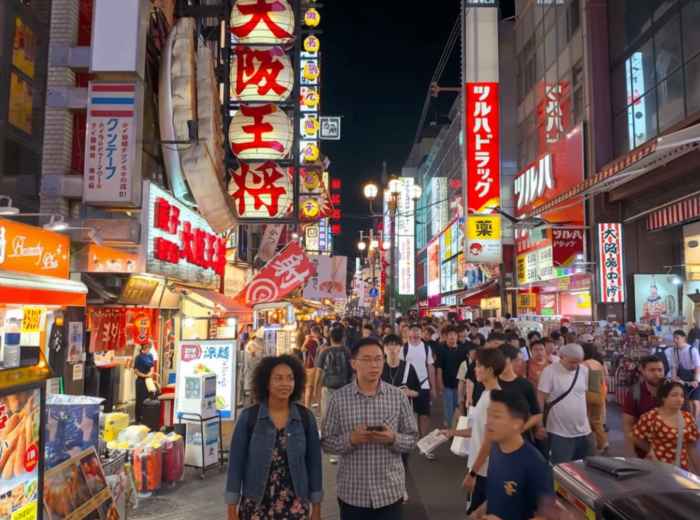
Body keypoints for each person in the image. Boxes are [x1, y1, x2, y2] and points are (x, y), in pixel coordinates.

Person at [322, 338, 418, 520]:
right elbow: (327, 442)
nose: (374, 365)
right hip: (352, 494)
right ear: (353, 363)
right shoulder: (338, 399)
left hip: (390, 492)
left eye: (378, 359)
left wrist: (393, 438)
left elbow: (412, 439)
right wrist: (351, 440)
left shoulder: (398, 397)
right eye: (366, 359)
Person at [226, 355, 322, 520]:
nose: (285, 383)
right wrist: (231, 511)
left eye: (290, 378)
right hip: (256, 504)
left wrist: (317, 508)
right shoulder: (249, 418)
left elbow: (314, 465)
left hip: (296, 505)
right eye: (278, 378)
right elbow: (235, 465)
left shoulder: (305, 418)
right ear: (266, 382)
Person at [469, 390, 557, 520]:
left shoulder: (536, 465)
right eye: (489, 415)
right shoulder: (496, 448)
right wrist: (479, 512)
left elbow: (547, 517)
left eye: (497, 416)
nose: (489, 422)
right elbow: (498, 496)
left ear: (517, 423)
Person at [441, 348, 506, 516]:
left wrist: (473, 473)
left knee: (477, 514)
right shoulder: (486, 393)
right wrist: (452, 432)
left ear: (490, 370)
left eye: (478, 366)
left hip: (485, 470)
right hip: (480, 467)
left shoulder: (493, 398)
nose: (475, 369)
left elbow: (488, 441)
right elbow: (477, 430)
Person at [537, 343, 593, 464]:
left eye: (578, 362)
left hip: (583, 430)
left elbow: (585, 397)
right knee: (562, 469)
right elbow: (540, 399)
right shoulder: (549, 371)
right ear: (562, 357)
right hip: (559, 432)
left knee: (584, 468)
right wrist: (539, 425)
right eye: (572, 362)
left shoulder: (584, 370)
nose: (575, 366)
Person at [633, 380, 700, 473]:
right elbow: (636, 437)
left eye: (682, 396)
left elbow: (691, 447)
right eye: (674, 395)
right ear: (664, 398)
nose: (679, 399)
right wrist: (651, 449)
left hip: (679, 469)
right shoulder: (651, 416)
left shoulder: (688, 418)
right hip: (655, 467)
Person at [400, 323, 436, 450]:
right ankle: (408, 440)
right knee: (407, 414)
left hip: (424, 384)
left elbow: (431, 367)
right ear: (408, 333)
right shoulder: (403, 348)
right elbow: (400, 367)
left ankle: (423, 440)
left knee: (424, 414)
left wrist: (433, 387)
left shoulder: (427, 348)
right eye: (413, 332)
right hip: (407, 385)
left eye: (417, 332)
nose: (415, 334)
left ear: (421, 334)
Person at [498, 344, 543, 444]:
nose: (521, 363)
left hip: (520, 440)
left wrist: (520, 429)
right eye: (518, 360)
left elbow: (537, 414)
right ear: (507, 361)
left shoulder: (525, 385)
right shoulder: (489, 383)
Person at [622, 355, 666, 457]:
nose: (657, 374)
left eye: (660, 370)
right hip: (643, 451)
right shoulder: (635, 392)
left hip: (670, 451)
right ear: (642, 370)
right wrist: (630, 452)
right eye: (652, 370)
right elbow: (628, 424)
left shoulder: (672, 390)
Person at [315, 327, 353, 421]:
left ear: (330, 338)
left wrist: (316, 389)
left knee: (327, 418)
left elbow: (319, 373)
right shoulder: (347, 352)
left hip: (328, 389)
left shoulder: (324, 352)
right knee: (343, 418)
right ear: (343, 338)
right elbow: (352, 373)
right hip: (344, 389)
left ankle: (327, 435)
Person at [437, 325, 470, 428]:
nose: (452, 337)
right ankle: (450, 430)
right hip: (447, 384)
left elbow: (467, 368)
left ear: (457, 336)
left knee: (460, 406)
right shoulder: (441, 350)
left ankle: (458, 429)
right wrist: (440, 383)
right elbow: (439, 368)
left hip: (460, 384)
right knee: (448, 407)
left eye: (454, 335)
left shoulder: (463, 349)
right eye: (449, 335)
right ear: (445, 337)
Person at [665, 330, 700, 419]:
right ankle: (688, 420)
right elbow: (674, 366)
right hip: (682, 379)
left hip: (694, 378)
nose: (675, 340)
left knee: (695, 402)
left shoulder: (692, 350)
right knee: (686, 402)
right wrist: (673, 378)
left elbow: (697, 367)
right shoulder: (674, 351)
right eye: (674, 338)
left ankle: (693, 422)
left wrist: (695, 380)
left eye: (677, 338)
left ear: (684, 338)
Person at [582, 342, 608, 453]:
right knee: (597, 421)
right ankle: (602, 443)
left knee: (586, 420)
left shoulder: (583, 364)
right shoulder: (598, 363)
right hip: (599, 394)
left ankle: (591, 445)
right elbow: (603, 380)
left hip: (588, 395)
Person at [133, 342, 156, 424]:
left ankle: (147, 417)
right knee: (140, 400)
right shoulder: (138, 357)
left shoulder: (150, 356)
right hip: (140, 381)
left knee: (149, 398)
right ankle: (138, 419)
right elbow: (136, 371)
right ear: (142, 347)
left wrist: (150, 373)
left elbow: (152, 367)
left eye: (149, 347)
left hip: (149, 381)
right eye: (146, 347)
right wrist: (144, 375)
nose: (148, 348)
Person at [302, 326, 323, 408]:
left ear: (314, 332)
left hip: (311, 366)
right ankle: (319, 407)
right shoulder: (323, 340)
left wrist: (306, 340)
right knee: (318, 387)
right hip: (320, 366)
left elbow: (303, 349)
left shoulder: (311, 341)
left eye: (311, 332)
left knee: (309, 387)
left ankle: (307, 406)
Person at [243, 337, 265, 406]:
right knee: (251, 399)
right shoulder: (252, 357)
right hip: (251, 382)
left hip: (250, 383)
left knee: (250, 399)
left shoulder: (248, 356)